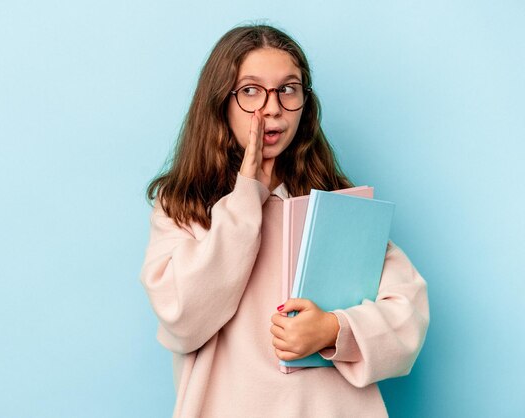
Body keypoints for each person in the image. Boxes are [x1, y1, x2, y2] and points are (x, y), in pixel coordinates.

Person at [140, 24, 429, 418]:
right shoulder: (183, 207)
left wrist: (333, 329)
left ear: (304, 103)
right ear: (221, 103)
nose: (272, 108)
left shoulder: (336, 203)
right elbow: (184, 319)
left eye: (288, 89)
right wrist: (247, 195)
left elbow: (407, 314)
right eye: (251, 91)